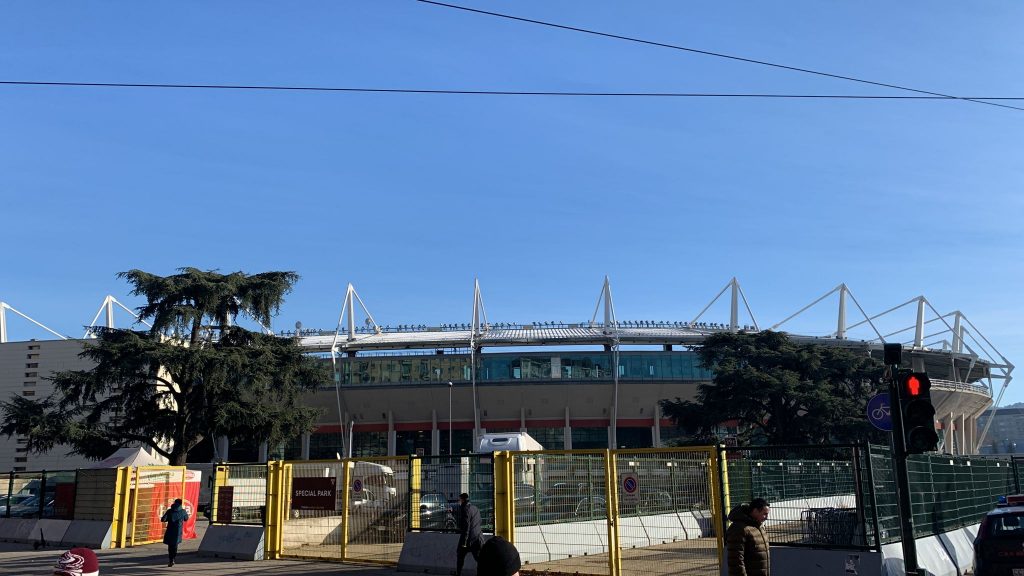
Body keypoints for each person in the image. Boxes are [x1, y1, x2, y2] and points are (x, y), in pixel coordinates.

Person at [726, 497, 771, 576]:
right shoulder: (739, 529)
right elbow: (736, 560)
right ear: (755, 511)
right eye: (764, 514)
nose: (766, 517)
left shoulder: (758, 526)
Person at [455, 492, 483, 576]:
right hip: (478, 537)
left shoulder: (465, 509)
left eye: (459, 500)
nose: (458, 502)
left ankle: (458, 573)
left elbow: (466, 526)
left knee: (460, 555)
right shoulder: (475, 508)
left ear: (462, 500)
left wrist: (464, 541)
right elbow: (480, 521)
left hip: (468, 539)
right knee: (479, 559)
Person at [161, 498, 189, 567]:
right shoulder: (183, 511)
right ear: (181, 504)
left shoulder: (170, 511)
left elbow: (163, 519)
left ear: (174, 503)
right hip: (178, 531)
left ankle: (171, 560)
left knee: (170, 546)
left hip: (170, 530)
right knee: (175, 546)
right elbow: (186, 519)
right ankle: (173, 558)